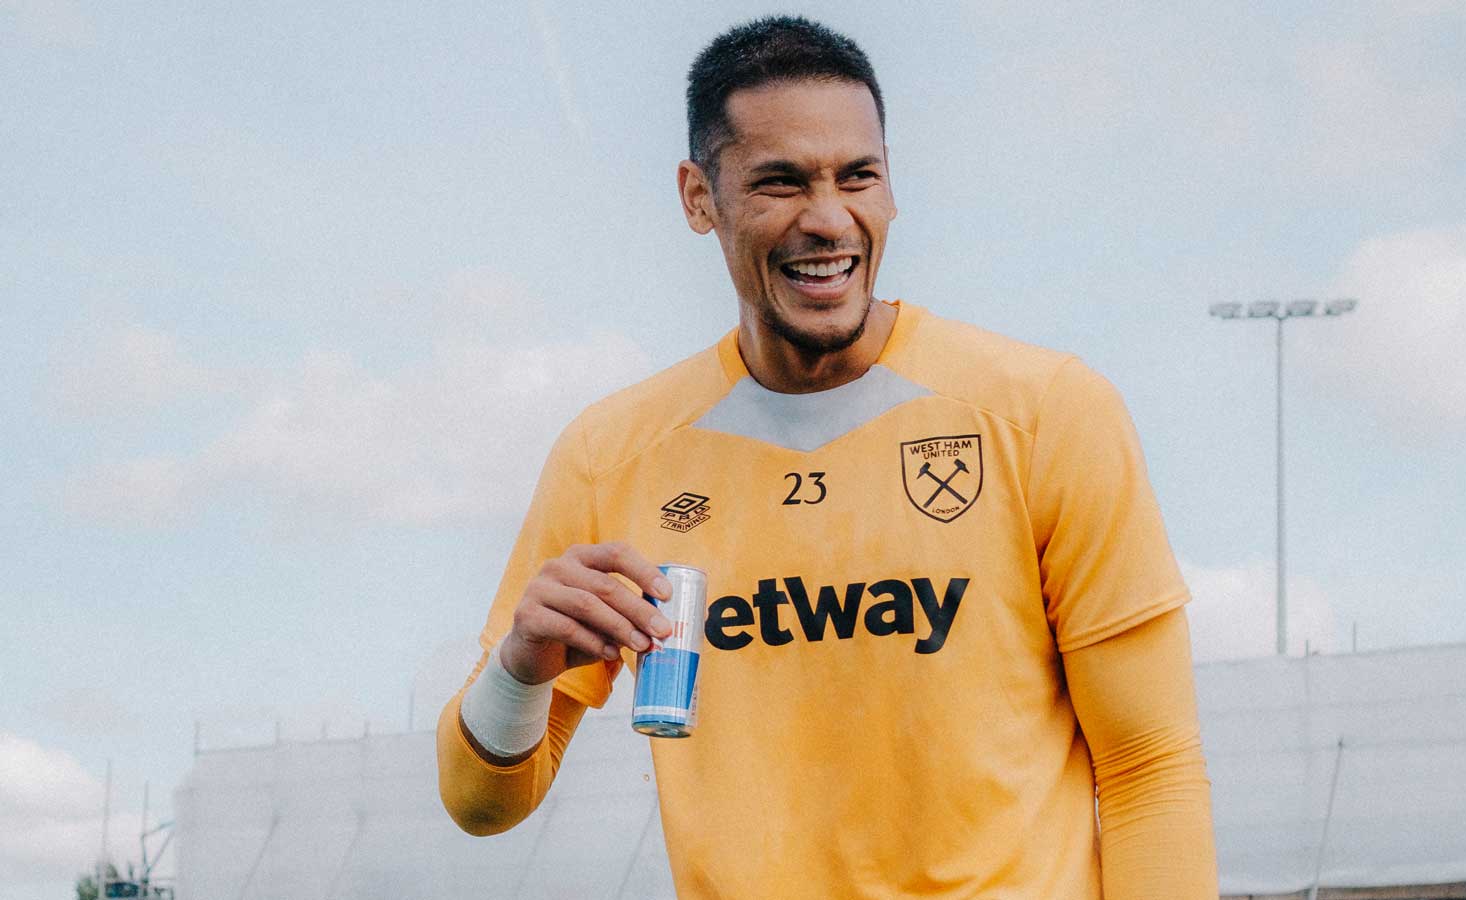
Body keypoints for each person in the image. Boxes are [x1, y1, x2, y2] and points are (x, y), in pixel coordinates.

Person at [437, 16, 1217, 898]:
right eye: (779, 183)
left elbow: (1151, 768)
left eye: (859, 176)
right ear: (700, 198)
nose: (828, 218)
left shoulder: (1044, 413)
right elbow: (481, 805)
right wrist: (520, 666)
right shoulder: (611, 458)